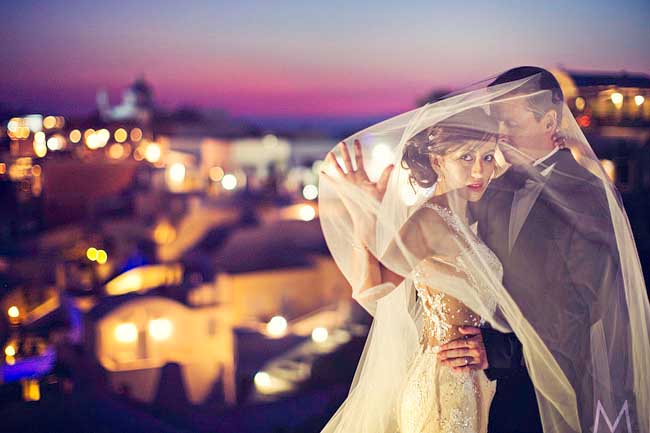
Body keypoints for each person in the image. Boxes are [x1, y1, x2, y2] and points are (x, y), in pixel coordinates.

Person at [317, 68, 650, 433]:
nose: (499, 135)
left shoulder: (585, 193)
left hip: (541, 387)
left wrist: (503, 353)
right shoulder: (489, 187)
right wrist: (375, 212)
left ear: (550, 121)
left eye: (509, 122)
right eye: (497, 124)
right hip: (466, 383)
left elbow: (590, 302)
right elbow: (410, 254)